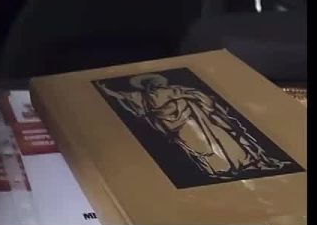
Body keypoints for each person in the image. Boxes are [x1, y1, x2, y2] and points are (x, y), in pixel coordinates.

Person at [97, 74, 289, 179]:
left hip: (198, 120)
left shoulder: (174, 90)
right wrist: (105, 89)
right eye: (148, 84)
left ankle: (243, 163)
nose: (151, 85)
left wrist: (192, 102)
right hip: (181, 128)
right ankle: (220, 168)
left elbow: (199, 95)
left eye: (152, 82)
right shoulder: (142, 97)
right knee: (198, 147)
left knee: (222, 139)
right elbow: (123, 96)